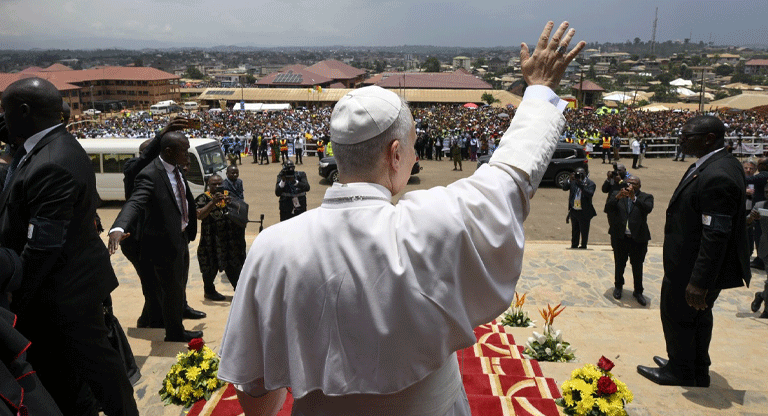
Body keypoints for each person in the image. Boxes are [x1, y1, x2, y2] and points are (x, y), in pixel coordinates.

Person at [218, 21, 584, 415]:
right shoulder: (434, 222)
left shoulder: (272, 247)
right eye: (411, 149)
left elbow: (255, 388)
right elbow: (511, 176)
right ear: (395, 154)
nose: (416, 158)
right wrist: (540, 88)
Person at [0, 77, 139, 415]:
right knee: (73, 376)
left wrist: (13, 297)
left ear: (23, 111)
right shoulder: (46, 147)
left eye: (4, 110)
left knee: (101, 373)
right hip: (64, 289)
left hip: (64, 294)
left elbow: (43, 247)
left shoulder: (53, 161)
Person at [637, 115, 751, 388]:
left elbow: (716, 233)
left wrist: (699, 282)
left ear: (709, 139)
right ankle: (693, 367)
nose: (681, 140)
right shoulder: (716, 163)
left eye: (688, 136)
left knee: (679, 316)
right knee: (695, 318)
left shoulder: (718, 174)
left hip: (692, 268)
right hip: (690, 263)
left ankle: (681, 371)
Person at [108, 131, 207, 343]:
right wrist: (118, 227)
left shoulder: (177, 169)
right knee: (170, 289)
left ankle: (175, 326)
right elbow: (134, 202)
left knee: (177, 286)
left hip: (180, 237)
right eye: (184, 152)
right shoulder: (150, 174)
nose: (188, 156)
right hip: (162, 242)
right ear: (169, 152)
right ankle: (174, 332)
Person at [122, 117, 189, 329]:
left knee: (174, 279)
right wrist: (161, 134)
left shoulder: (167, 171)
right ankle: (151, 319)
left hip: (168, 235)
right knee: (152, 284)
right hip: (138, 239)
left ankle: (178, 309)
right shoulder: (134, 170)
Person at [195, 174, 246, 300]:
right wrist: (213, 202)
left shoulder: (228, 195)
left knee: (233, 266)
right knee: (209, 266)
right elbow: (199, 215)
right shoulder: (203, 198)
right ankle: (209, 291)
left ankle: (240, 291)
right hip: (210, 240)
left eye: (219, 184)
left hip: (229, 240)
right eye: (214, 184)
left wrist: (232, 203)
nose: (217, 187)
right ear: (208, 185)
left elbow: (242, 211)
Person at [606, 176, 653, 306]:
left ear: (639, 186)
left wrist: (633, 198)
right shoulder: (617, 194)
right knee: (619, 264)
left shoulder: (646, 197)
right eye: (629, 182)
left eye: (634, 183)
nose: (630, 185)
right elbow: (607, 209)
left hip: (638, 239)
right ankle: (618, 286)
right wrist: (617, 197)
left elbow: (647, 209)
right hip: (620, 238)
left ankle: (638, 291)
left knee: (637, 266)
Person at [746, 186, 768, 318]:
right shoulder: (760, 205)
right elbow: (746, 222)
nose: (766, 194)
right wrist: (751, 218)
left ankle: (761, 295)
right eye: (766, 191)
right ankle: (766, 311)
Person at [562, 167, 596, 249]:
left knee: (584, 230)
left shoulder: (590, 183)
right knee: (575, 229)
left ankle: (583, 245)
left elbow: (590, 194)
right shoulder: (573, 182)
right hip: (574, 209)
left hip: (584, 210)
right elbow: (564, 188)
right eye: (576, 173)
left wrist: (581, 185)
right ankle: (574, 244)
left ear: (584, 174)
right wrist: (569, 180)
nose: (578, 175)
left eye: (580, 174)